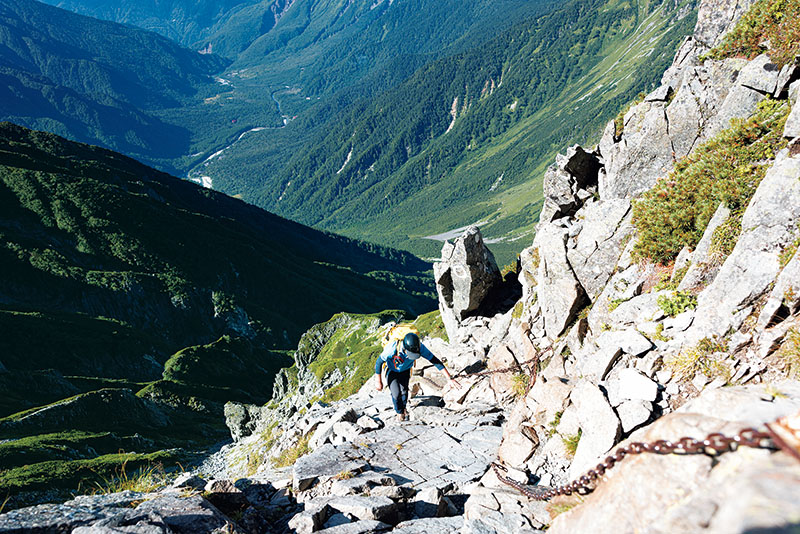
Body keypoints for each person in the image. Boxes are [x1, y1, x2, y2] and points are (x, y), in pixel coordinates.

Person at [375, 332, 460, 421]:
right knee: (396, 394)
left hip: (405, 370)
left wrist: (449, 378)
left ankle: (403, 409)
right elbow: (379, 362)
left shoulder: (420, 348)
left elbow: (435, 361)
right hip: (391, 370)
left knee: (404, 391)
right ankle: (399, 412)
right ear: (404, 349)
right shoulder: (392, 349)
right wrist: (378, 381)